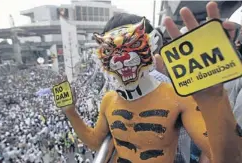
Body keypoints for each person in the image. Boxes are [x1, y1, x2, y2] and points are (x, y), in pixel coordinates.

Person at [61, 2, 242, 163]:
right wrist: (70, 111)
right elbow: (95, 142)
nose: (122, 58)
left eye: (132, 44)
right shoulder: (109, 100)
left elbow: (226, 157)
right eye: (111, 50)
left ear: (151, 44)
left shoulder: (176, 97)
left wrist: (213, 100)